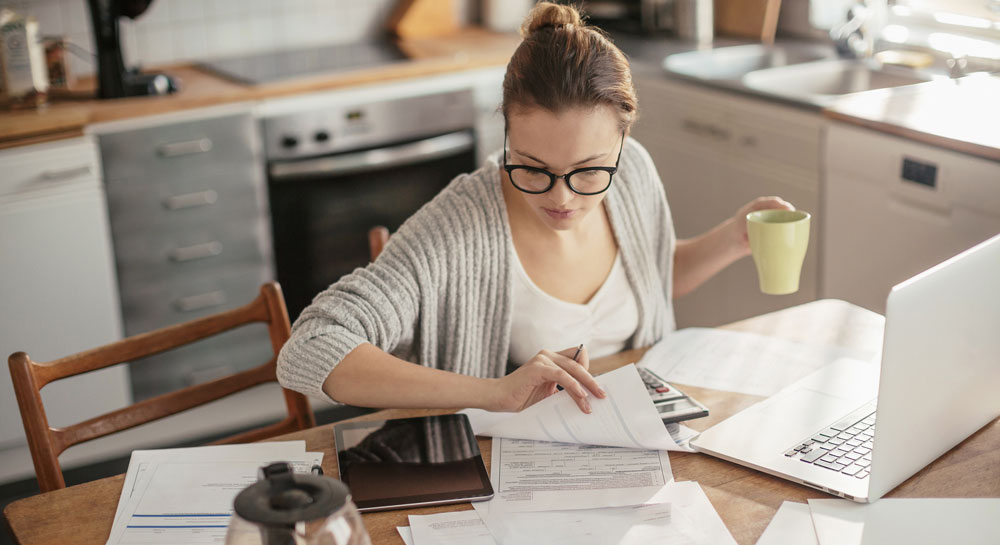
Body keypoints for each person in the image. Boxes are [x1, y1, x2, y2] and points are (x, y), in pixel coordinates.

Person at [276, 2, 793, 415]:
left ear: (623, 140)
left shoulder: (633, 172)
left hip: (635, 441)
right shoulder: (459, 227)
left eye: (590, 170)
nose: (561, 197)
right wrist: (493, 392)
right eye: (532, 166)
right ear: (505, 134)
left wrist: (732, 238)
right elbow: (310, 349)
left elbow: (652, 274)